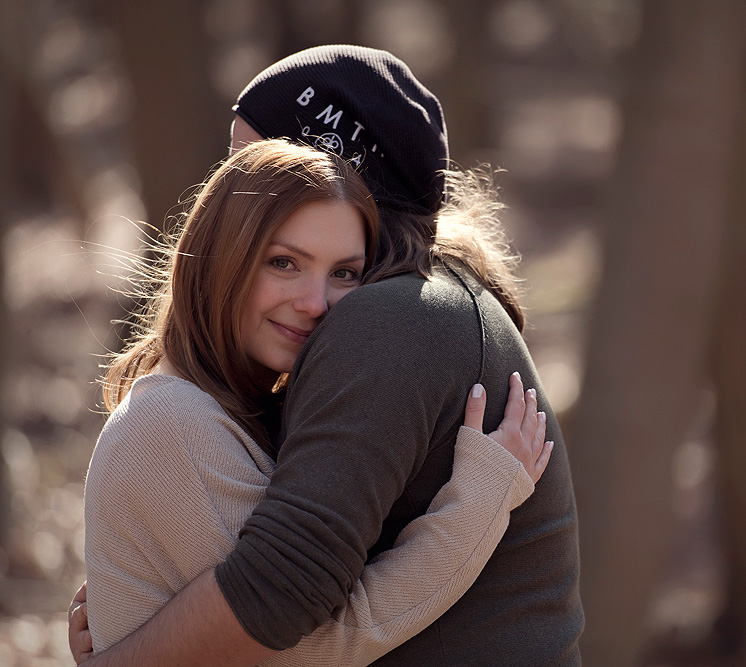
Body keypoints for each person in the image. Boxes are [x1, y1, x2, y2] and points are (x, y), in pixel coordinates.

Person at [72, 44, 583, 666]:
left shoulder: (391, 321)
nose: (225, 192)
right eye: (283, 262)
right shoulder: (179, 415)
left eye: (250, 163)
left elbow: (283, 599)